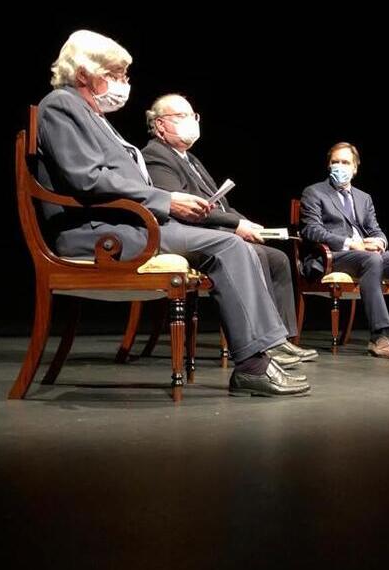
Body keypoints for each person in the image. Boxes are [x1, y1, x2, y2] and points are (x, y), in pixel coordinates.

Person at [35, 30, 309, 396]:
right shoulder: (61, 105)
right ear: (83, 73)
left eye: (124, 75)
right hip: (101, 232)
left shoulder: (92, 114)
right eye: (114, 74)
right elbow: (88, 178)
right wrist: (166, 200)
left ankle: (262, 354)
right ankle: (254, 365)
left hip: (128, 224)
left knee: (234, 245)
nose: (122, 83)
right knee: (229, 246)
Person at [141, 93, 317, 363]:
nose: (191, 121)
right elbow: (182, 208)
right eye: (181, 116)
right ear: (160, 125)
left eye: (193, 115)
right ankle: (263, 344)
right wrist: (237, 226)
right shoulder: (155, 155)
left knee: (278, 259)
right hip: (185, 233)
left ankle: (282, 339)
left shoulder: (191, 159)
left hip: (213, 230)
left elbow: (220, 205)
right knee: (255, 254)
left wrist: (246, 223)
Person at [299, 142, 389, 358]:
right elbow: (311, 230)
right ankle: (378, 337)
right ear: (328, 165)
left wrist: (380, 242)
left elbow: (375, 229)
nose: (339, 166)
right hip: (334, 255)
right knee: (371, 260)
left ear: (355, 168)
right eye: (335, 162)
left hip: (367, 255)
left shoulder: (364, 198)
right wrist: (349, 243)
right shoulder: (314, 192)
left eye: (345, 162)